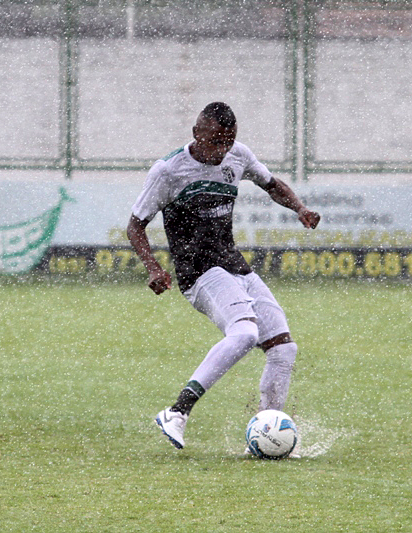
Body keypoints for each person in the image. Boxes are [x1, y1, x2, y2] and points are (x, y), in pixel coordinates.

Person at [127, 102, 320, 451]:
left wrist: (300, 209)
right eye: (216, 142)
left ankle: (264, 435)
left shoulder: (237, 156)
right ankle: (176, 412)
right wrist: (154, 267)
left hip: (233, 264)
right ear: (197, 134)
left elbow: (272, 184)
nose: (223, 151)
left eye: (229, 142)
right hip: (198, 272)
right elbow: (135, 225)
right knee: (245, 332)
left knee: (283, 347)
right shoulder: (169, 171)